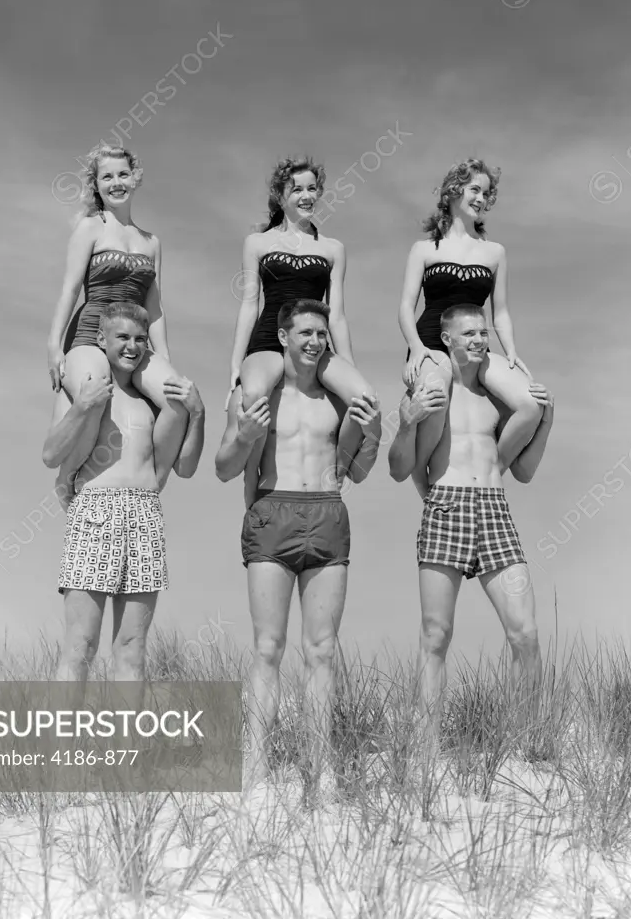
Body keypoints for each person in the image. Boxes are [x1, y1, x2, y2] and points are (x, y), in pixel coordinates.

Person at [216, 298, 381, 796]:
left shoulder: (336, 401)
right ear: (282, 337)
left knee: (322, 650)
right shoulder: (257, 395)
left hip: (328, 514)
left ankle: (321, 766)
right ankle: (256, 763)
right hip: (273, 512)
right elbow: (224, 467)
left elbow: (357, 470)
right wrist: (245, 435)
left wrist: (369, 434)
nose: (314, 341)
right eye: (304, 332)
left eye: (321, 334)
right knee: (268, 646)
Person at [388, 303, 554, 743]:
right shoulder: (432, 392)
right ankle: (425, 747)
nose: (481, 341)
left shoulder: (497, 399)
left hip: (495, 510)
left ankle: (524, 741)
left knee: (527, 634)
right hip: (447, 507)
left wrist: (546, 418)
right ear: (446, 340)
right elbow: (400, 468)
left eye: (484, 333)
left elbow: (524, 471)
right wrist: (405, 424)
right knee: (436, 636)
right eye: (470, 334)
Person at [42, 301, 205, 682]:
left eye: (140, 340)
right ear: (101, 339)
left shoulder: (153, 403)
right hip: (95, 513)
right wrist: (82, 407)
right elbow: (50, 454)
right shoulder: (80, 391)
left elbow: (185, 467)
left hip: (146, 516)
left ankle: (127, 743)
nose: (132, 347)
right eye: (122, 338)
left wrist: (197, 415)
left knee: (132, 648)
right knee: (80, 645)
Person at [46, 144, 189, 507]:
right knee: (97, 392)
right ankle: (68, 477)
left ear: (135, 178)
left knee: (179, 400)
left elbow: (154, 309)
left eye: (123, 174)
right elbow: (70, 288)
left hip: (133, 339)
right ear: (96, 184)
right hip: (91, 333)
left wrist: (166, 359)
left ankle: (154, 481)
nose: (116, 182)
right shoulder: (90, 228)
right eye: (107, 176)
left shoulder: (151, 241)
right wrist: (54, 345)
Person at [228, 156, 376, 497]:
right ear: (281, 197)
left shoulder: (333, 248)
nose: (306, 196)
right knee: (252, 397)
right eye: (297, 190)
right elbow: (249, 305)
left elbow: (336, 314)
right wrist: (235, 364)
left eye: (312, 189)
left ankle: (336, 475)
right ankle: (253, 490)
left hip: (315, 342)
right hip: (269, 339)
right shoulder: (258, 243)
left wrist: (348, 365)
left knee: (365, 398)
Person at [398, 158, 542, 497]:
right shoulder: (424, 249)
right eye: (474, 189)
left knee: (531, 404)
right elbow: (406, 306)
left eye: (486, 193)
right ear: (453, 191)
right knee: (435, 401)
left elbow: (501, 313)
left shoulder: (495, 253)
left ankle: (492, 471)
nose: (480, 198)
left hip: (476, 343)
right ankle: (428, 491)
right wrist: (416, 349)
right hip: (432, 341)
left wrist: (511, 353)